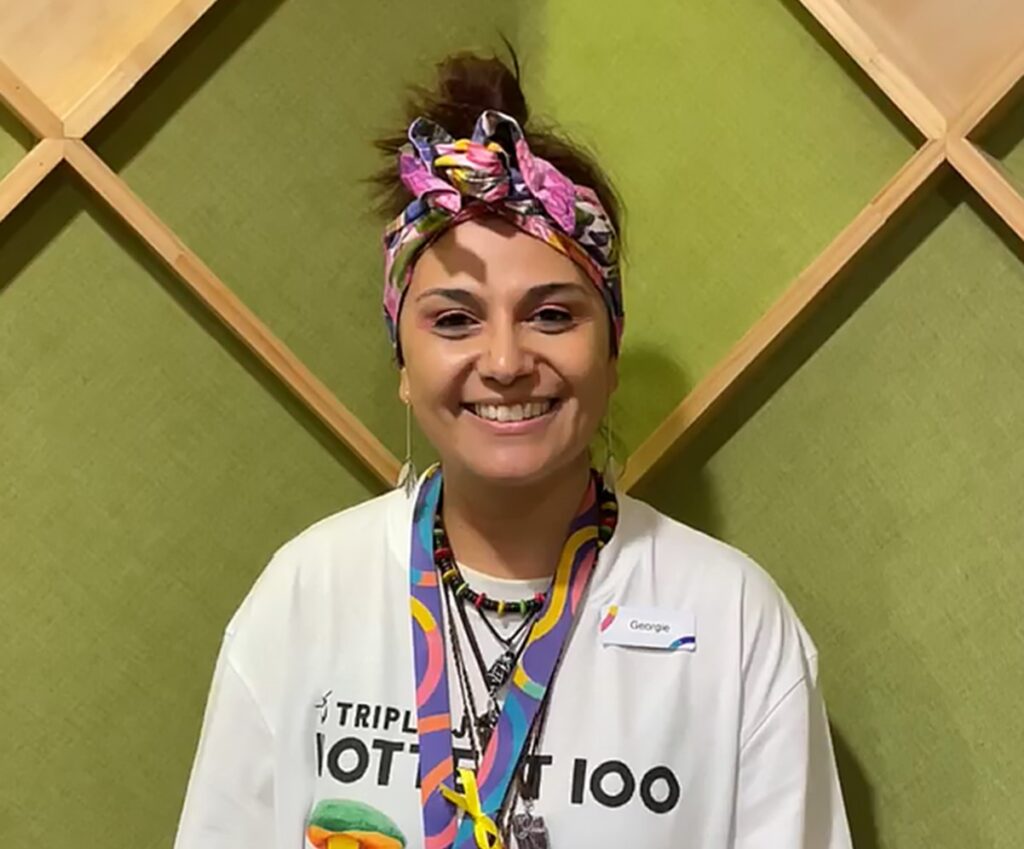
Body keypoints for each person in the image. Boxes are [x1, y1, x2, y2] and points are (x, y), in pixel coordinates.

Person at [173, 49, 853, 849]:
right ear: (402, 360)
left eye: (553, 315)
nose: (503, 362)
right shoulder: (306, 596)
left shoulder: (733, 622)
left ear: (611, 350)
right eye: (455, 319)